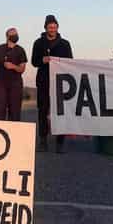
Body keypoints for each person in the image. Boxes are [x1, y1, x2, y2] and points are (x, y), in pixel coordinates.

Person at [31, 15, 73, 153]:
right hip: (43, 81)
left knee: (60, 112)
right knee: (43, 111)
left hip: (60, 82)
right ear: (45, 28)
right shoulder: (38, 43)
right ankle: (43, 140)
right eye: (50, 27)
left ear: (57, 27)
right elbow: (34, 61)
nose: (52, 29)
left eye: (54, 27)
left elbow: (70, 62)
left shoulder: (65, 44)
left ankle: (60, 142)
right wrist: (43, 60)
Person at [0, 27, 28, 121]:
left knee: (15, 112)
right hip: (0, 84)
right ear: (7, 36)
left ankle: (14, 134)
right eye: (13, 34)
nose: (15, 36)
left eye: (16, 34)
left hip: (15, 85)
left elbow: (22, 69)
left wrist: (13, 67)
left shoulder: (21, 50)